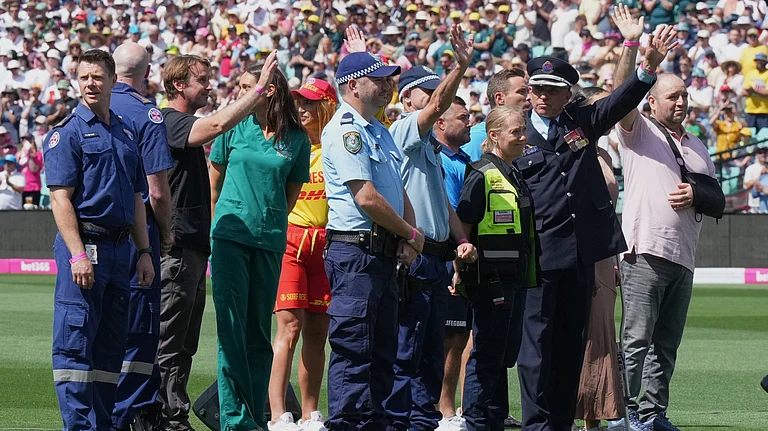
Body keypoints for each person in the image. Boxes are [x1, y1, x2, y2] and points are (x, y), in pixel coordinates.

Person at [514, 7, 673, 431]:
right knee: (535, 349)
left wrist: (646, 68)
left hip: (580, 253)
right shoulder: (510, 132)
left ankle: (561, 422)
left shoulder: (582, 121)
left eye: (553, 89)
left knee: (570, 344)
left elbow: (620, 99)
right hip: (536, 255)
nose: (543, 96)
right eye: (537, 89)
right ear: (528, 92)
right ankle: (536, 424)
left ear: (569, 94)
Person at [156, 52, 279, 431]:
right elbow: (215, 126)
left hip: (193, 245)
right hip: (178, 246)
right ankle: (164, 416)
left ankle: (174, 416)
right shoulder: (170, 120)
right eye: (202, 79)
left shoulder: (181, 121)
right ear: (180, 85)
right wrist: (257, 91)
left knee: (185, 341)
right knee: (170, 339)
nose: (210, 85)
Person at [44, 48, 154, 431]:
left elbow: (138, 198)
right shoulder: (67, 133)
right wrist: (77, 255)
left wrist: (144, 252)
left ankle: (104, 425)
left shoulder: (126, 132)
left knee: (111, 348)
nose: (90, 83)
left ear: (111, 81)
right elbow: (60, 199)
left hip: (121, 250)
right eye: (84, 76)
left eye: (97, 77)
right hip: (85, 248)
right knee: (75, 345)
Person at [609, 50, 718, 431]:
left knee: (666, 344)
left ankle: (654, 413)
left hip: (683, 256)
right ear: (651, 101)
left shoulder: (698, 144)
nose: (681, 101)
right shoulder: (638, 129)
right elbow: (619, 96)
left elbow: (715, 196)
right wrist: (637, 55)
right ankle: (622, 413)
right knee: (636, 338)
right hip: (645, 250)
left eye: (685, 95)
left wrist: (696, 194)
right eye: (673, 96)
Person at [321, 51, 425, 431]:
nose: (387, 86)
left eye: (388, 80)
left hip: (380, 254)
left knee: (381, 353)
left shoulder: (377, 129)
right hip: (356, 252)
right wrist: (411, 234)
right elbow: (366, 197)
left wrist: (410, 238)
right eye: (377, 80)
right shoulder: (346, 130)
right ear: (353, 86)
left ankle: (373, 423)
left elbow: (398, 189)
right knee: (354, 352)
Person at [209, 57, 310, 431]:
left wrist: (266, 221)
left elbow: (290, 198)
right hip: (230, 239)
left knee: (258, 334)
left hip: (268, 241)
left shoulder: (296, 140)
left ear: (267, 90)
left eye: (244, 87)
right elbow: (213, 186)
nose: (238, 94)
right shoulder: (232, 129)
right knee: (231, 329)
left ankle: (252, 415)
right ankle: (234, 419)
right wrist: (217, 230)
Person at [385, 24, 477, 431]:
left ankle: (422, 420)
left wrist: (460, 240)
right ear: (408, 100)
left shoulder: (432, 150)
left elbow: (442, 203)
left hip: (438, 258)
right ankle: (401, 419)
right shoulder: (405, 131)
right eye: (432, 93)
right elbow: (438, 104)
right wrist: (460, 66)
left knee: (430, 349)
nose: (440, 101)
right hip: (415, 256)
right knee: (408, 345)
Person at [454, 106, 540, 431]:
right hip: (489, 278)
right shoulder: (481, 172)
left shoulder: (513, 172)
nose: (523, 137)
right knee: (487, 354)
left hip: (513, 277)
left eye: (523, 130)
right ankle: (476, 421)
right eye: (516, 132)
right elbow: (463, 225)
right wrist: (459, 268)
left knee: (503, 355)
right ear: (494, 135)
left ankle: (492, 419)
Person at [109, 42, 174, 431]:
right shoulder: (146, 113)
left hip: (92, 237)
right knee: (138, 330)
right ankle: (129, 417)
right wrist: (165, 234)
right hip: (138, 236)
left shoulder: (89, 108)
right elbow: (158, 191)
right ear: (147, 72)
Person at [267, 78, 337, 431]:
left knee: (317, 331)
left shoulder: (338, 146)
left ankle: (310, 413)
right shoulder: (288, 143)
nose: (302, 109)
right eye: (299, 103)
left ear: (329, 106)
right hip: (291, 241)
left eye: (310, 103)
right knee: (290, 327)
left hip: (327, 244)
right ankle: (278, 414)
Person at [570, 87, 625, 431]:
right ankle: (576, 410)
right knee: (582, 334)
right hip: (579, 252)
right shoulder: (577, 147)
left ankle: (597, 415)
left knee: (602, 335)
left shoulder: (603, 152)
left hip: (604, 255)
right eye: (599, 104)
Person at [434, 97, 474, 431]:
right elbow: (452, 212)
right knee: (451, 335)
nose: (470, 121)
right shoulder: (441, 161)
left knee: (460, 337)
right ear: (442, 123)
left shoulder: (464, 159)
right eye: (463, 117)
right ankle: (444, 408)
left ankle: (453, 406)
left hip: (464, 254)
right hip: (450, 256)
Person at [463, 68, 530, 161]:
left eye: (528, 91)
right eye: (521, 92)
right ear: (500, 98)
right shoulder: (477, 138)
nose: (529, 97)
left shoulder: (526, 133)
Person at [742, 53, 768, 131]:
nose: (759, 63)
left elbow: (766, 92)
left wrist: (754, 90)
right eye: (757, 61)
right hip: (750, 110)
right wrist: (752, 91)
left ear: (765, 62)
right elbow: (744, 91)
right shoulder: (750, 74)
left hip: (764, 111)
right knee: (750, 136)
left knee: (764, 138)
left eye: (761, 61)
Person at [743, 147, 768, 213]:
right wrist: (760, 177)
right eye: (760, 152)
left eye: (765, 152)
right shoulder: (751, 168)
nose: (763, 154)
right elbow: (746, 186)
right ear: (757, 154)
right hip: (755, 205)